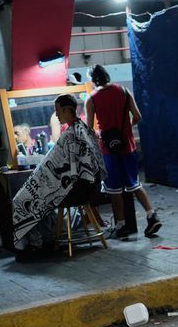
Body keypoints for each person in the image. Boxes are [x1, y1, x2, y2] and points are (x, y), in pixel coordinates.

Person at [10, 94, 106, 259]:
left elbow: (54, 164)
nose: (56, 115)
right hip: (90, 187)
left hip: (78, 192)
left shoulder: (71, 134)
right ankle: (41, 240)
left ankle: (34, 244)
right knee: (35, 195)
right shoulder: (83, 129)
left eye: (57, 111)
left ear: (67, 110)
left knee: (21, 200)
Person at [85, 64, 162, 238]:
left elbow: (89, 128)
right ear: (107, 75)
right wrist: (126, 128)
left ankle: (121, 225)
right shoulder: (124, 91)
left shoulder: (92, 99)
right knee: (134, 184)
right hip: (128, 145)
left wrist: (101, 134)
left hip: (108, 150)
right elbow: (138, 116)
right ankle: (152, 215)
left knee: (114, 190)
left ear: (92, 79)